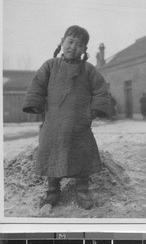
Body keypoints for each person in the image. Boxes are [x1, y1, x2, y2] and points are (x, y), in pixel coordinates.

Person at [23, 25, 109, 210]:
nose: (73, 47)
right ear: (62, 42)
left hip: (79, 123)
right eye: (70, 42)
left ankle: (82, 189)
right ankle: (53, 189)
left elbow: (101, 90)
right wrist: (35, 104)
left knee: (82, 154)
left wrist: (93, 111)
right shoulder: (50, 65)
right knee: (51, 153)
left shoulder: (89, 70)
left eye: (79, 45)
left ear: (84, 50)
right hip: (53, 122)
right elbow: (37, 85)